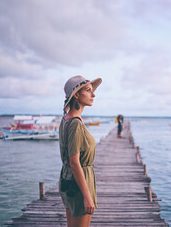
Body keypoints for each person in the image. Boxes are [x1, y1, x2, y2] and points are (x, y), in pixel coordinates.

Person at [59, 75, 102, 227]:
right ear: (76, 95)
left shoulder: (66, 119)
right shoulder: (76, 124)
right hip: (79, 182)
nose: (93, 94)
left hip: (68, 179)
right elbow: (74, 162)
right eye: (89, 90)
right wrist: (87, 196)